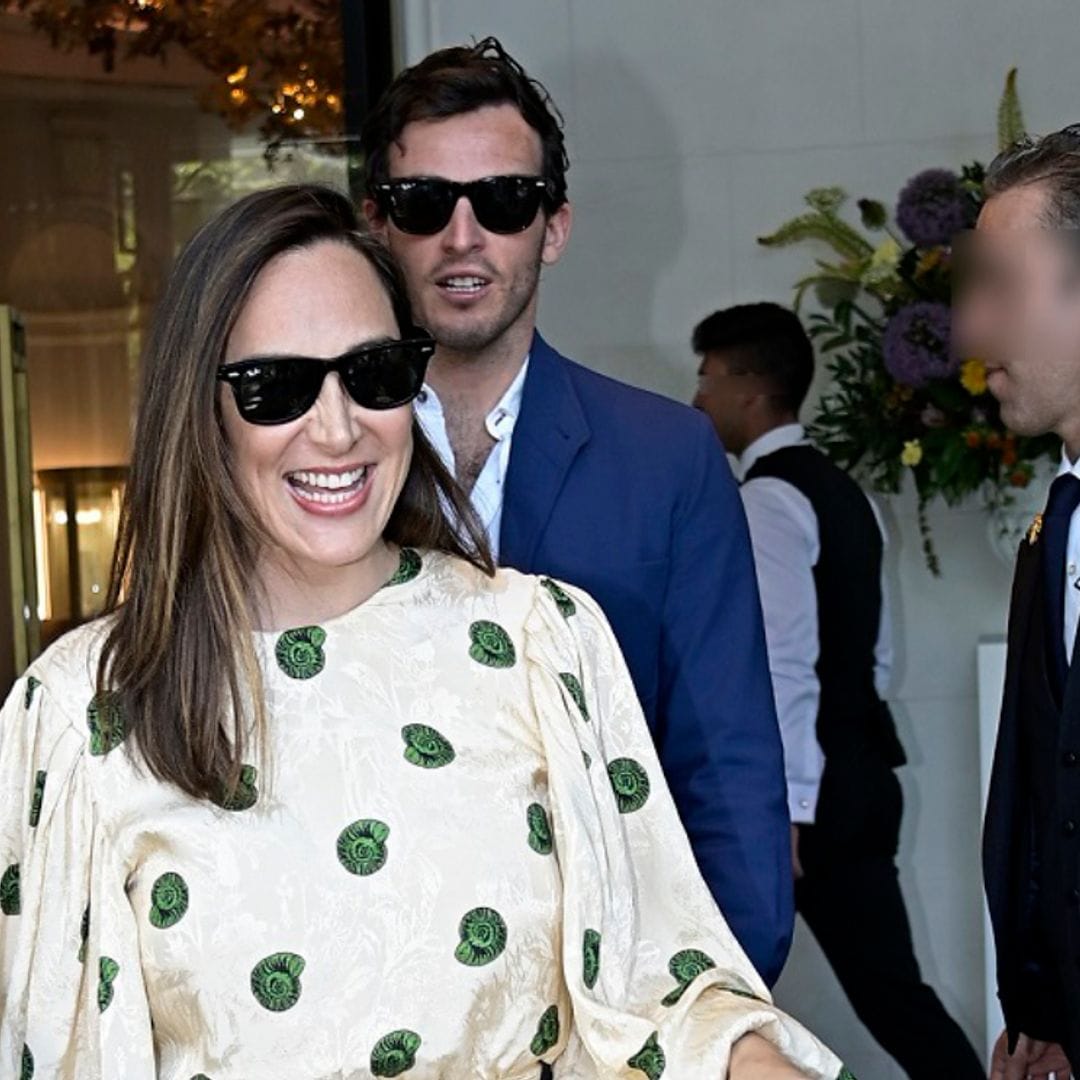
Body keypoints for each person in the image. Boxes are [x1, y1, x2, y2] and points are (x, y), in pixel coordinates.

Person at [0, 184, 852, 1079]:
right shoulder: (81, 713)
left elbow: (662, 990)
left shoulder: (538, 639)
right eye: (275, 387)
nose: (337, 430)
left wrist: (760, 1063)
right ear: (199, 410)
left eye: (374, 374)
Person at [360, 37, 793, 987]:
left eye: (504, 203)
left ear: (553, 227)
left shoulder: (667, 458)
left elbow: (726, 764)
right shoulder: (323, 460)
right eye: (425, 203)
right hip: (382, 994)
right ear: (379, 224)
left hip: (616, 993)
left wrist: (723, 1000)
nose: (463, 237)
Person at [692, 302, 985, 1079]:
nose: (698, 398)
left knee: (744, 990)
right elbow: (872, 653)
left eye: (710, 377)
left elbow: (784, 661)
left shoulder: (766, 501)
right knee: (892, 991)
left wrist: (787, 809)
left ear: (752, 392)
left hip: (811, 804)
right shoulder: (845, 493)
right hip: (860, 775)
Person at [958, 124, 1080, 1080]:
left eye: (1000, 284)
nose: (971, 328)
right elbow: (1040, 794)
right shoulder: (1056, 529)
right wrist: (1044, 1006)